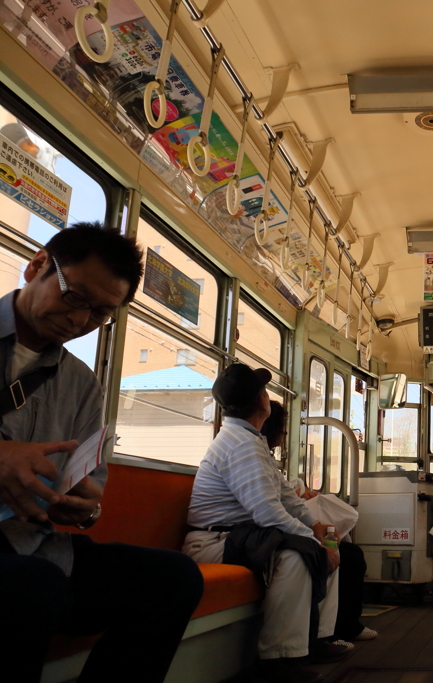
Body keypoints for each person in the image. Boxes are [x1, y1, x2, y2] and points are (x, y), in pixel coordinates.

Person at [0, 222, 204, 683]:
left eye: (99, 314)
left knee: (173, 579)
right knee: (34, 587)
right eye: (74, 297)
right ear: (36, 266)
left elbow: (91, 489)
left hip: (38, 546)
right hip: (29, 571)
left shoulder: (83, 385)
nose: (79, 321)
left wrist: (85, 509)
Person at [184, 364, 352, 683]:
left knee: (327, 544)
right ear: (261, 401)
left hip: (240, 537)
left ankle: (316, 639)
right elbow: (267, 513)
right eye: (264, 391)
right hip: (213, 543)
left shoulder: (251, 439)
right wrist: (313, 541)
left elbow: (285, 498)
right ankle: (277, 659)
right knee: (298, 556)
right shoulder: (240, 445)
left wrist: (317, 528)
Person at [260, 400, 377, 642]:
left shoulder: (263, 456)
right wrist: (313, 536)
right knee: (337, 555)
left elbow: (284, 497)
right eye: (282, 430)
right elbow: (266, 507)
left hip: (276, 528)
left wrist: (316, 525)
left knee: (351, 554)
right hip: (260, 532)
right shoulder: (247, 451)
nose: (283, 436)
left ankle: (341, 627)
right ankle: (324, 635)